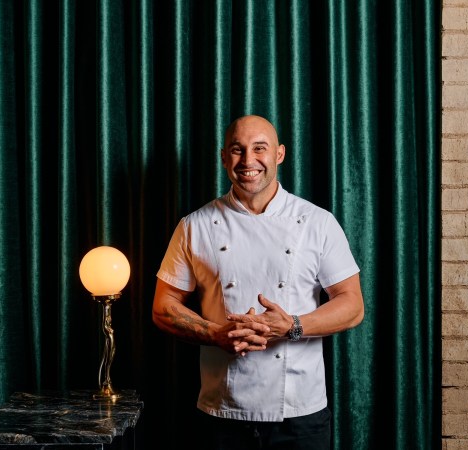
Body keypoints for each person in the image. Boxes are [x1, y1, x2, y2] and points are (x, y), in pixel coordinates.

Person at [152, 114, 364, 450]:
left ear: (279, 154)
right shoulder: (196, 226)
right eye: (237, 150)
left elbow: (352, 305)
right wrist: (215, 334)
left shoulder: (318, 222)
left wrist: (293, 325)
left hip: (300, 415)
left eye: (259, 148)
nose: (249, 161)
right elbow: (163, 307)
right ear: (224, 157)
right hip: (221, 414)